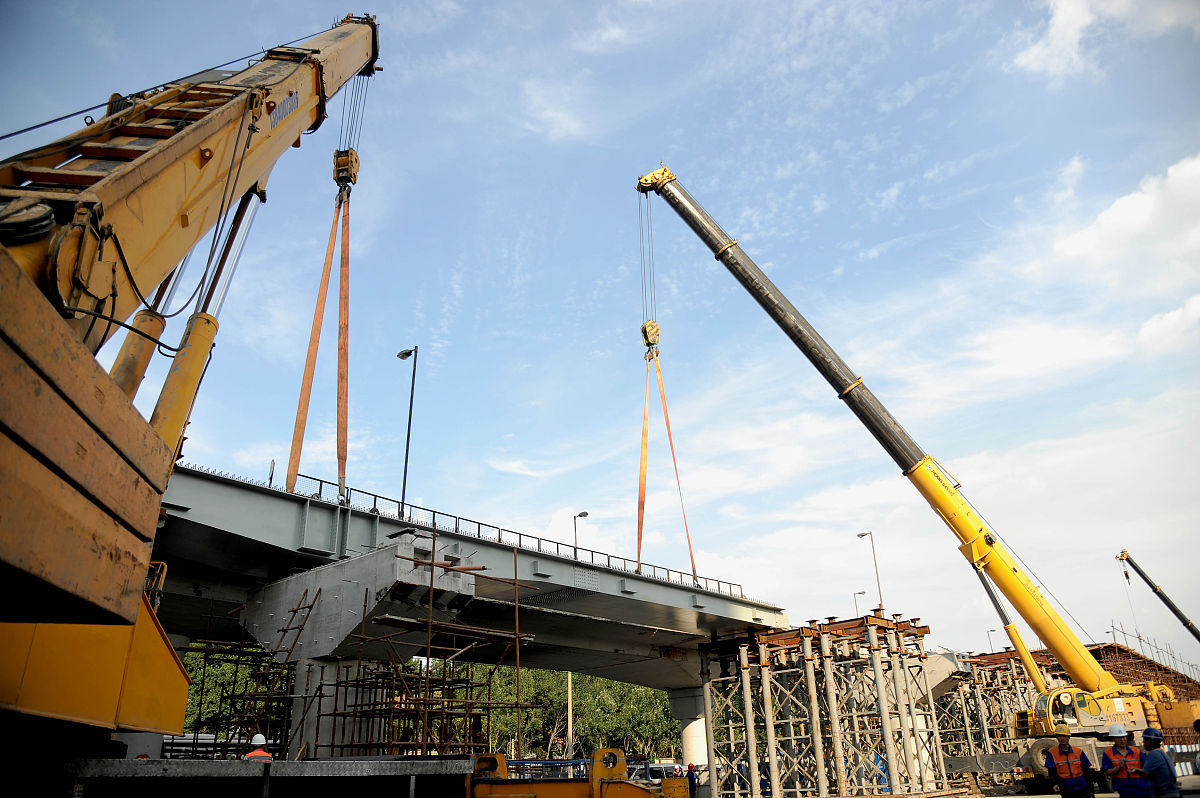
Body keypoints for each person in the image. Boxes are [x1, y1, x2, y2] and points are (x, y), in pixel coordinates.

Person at [1045, 723, 1095, 798]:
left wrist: (1091, 790)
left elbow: (1087, 771)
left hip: (1082, 787)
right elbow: (1051, 772)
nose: (1062, 738)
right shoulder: (1052, 753)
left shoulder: (1078, 751)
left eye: (1064, 736)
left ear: (1068, 737)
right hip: (1065, 789)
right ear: (1057, 737)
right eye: (1059, 736)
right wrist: (1054, 784)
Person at [1101, 723, 1150, 798]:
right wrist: (1118, 767)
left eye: (1123, 737)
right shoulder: (1108, 753)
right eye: (1119, 738)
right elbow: (1107, 772)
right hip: (1123, 790)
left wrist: (1137, 770)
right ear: (1113, 739)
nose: (1122, 740)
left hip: (1141, 789)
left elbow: (1147, 770)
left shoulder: (1136, 751)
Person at [1140, 728, 1180, 798]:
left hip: (1164, 793)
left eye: (1145, 740)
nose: (1143, 742)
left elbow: (1145, 773)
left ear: (1150, 741)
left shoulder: (1153, 754)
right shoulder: (1162, 752)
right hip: (1173, 792)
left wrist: (1134, 770)